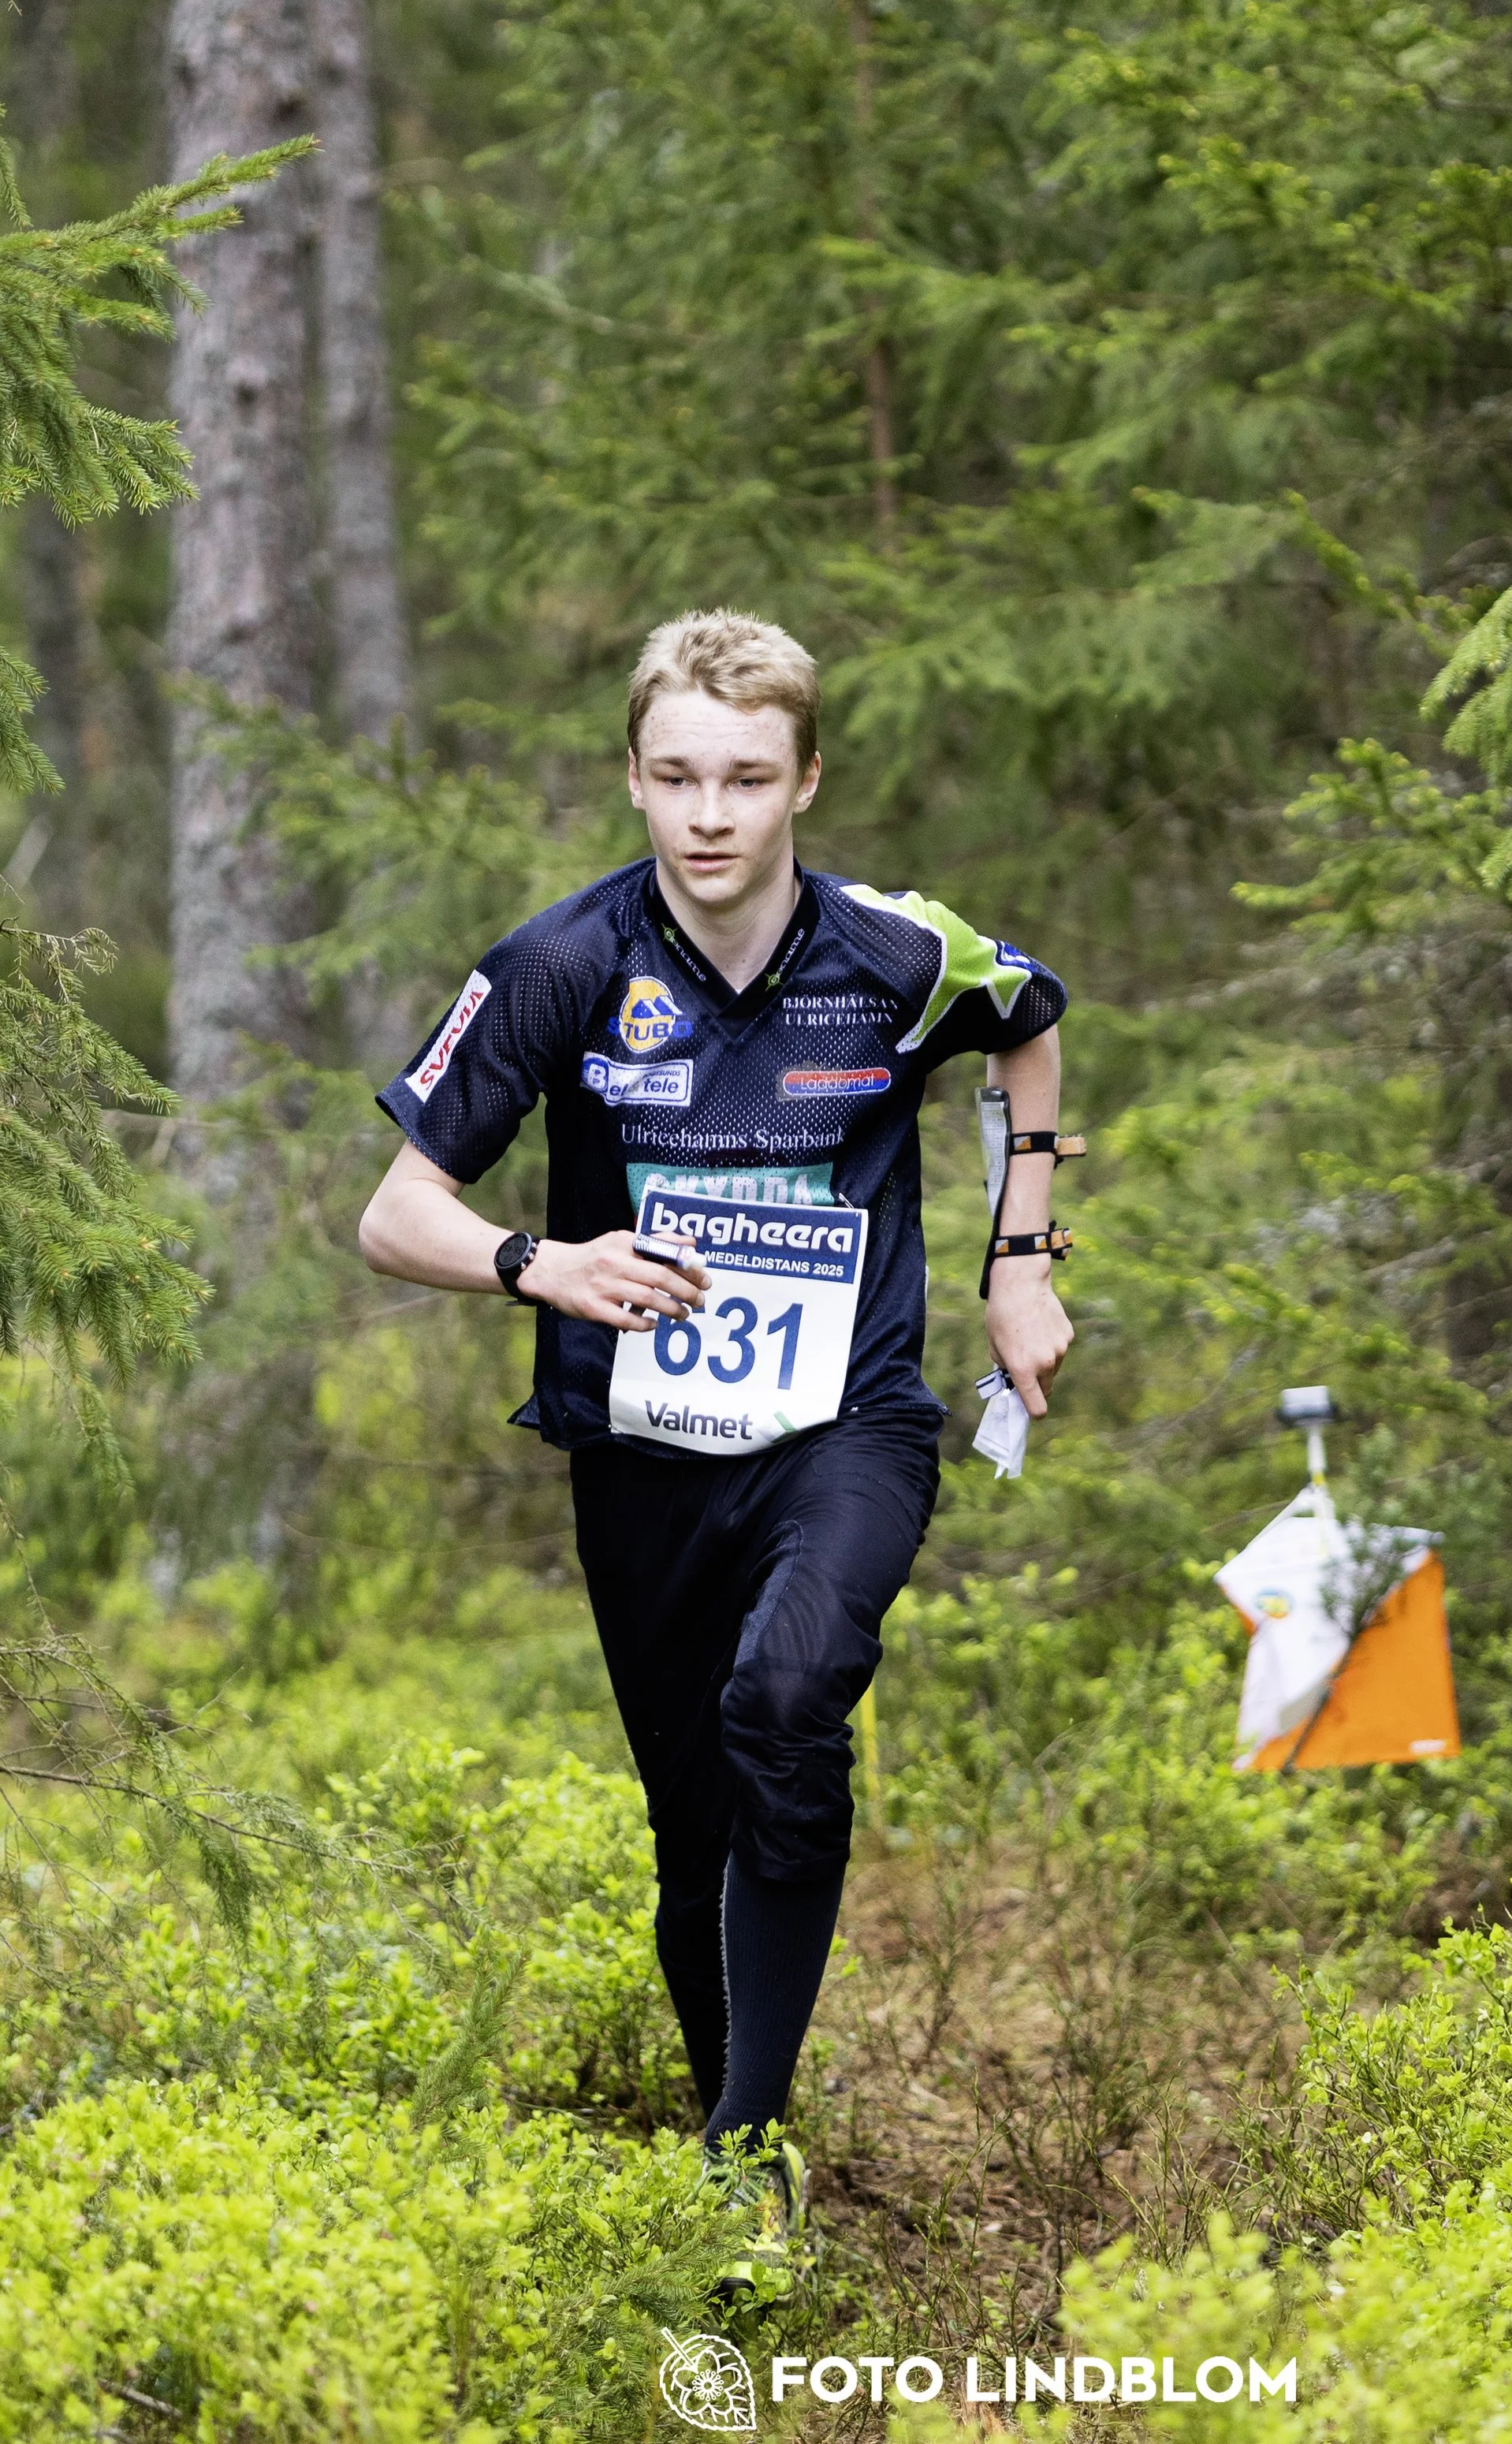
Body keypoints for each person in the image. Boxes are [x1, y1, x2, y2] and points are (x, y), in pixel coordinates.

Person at [357, 609, 1073, 2275]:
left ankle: (746, 2156)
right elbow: (397, 1213)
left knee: (787, 1694)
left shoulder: (898, 952)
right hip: (645, 1441)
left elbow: (1029, 1017)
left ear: (804, 778)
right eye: (674, 774)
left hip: (851, 1416)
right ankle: (733, 2111)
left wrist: (1019, 1257)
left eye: (747, 778)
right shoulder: (554, 965)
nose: (707, 813)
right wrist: (545, 1264)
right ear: (631, 773)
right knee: (693, 1821)